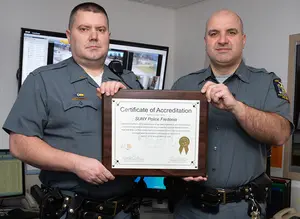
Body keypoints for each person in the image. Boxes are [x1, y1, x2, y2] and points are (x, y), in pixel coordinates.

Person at [3, 2, 141, 219]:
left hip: (124, 209)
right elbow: (19, 144)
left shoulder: (130, 82)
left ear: (108, 36)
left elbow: (148, 139)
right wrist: (76, 164)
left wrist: (129, 99)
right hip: (70, 210)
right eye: (84, 29)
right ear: (69, 35)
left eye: (100, 30)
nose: (94, 36)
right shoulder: (42, 80)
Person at [169, 9, 293, 219]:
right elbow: (165, 140)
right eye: (214, 33)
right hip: (188, 208)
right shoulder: (183, 84)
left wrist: (236, 107)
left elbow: (280, 134)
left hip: (242, 210)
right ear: (206, 40)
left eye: (231, 32)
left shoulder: (266, 83)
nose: (222, 40)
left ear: (243, 40)